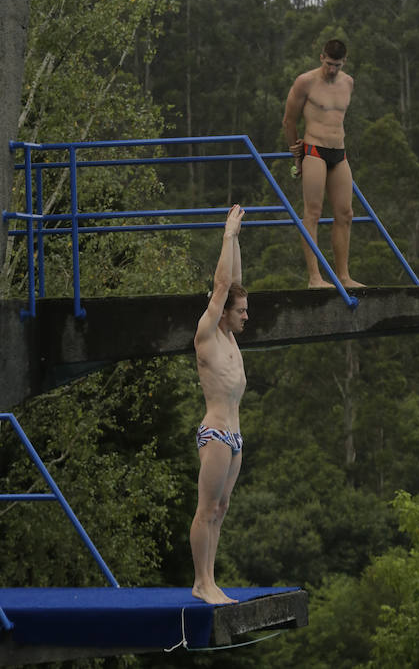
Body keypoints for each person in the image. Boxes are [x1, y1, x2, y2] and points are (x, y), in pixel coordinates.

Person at [190, 204, 248, 605]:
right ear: (224, 312)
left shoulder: (231, 338)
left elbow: (236, 282)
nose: (247, 316)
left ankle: (212, 579)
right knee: (206, 507)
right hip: (215, 433)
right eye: (241, 311)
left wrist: (238, 239)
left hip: (236, 436)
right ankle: (201, 582)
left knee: (222, 508)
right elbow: (224, 284)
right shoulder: (208, 332)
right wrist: (226, 235)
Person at [283, 39, 364, 289]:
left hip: (339, 153)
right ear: (321, 58)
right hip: (314, 150)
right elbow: (289, 120)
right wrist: (295, 152)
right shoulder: (305, 82)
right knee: (313, 212)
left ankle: (343, 276)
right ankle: (315, 278)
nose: (332, 70)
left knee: (345, 213)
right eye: (329, 64)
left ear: (344, 62)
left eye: (337, 65)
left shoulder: (348, 83)